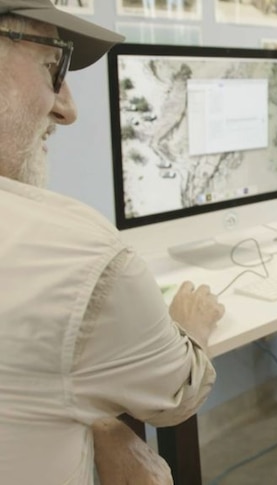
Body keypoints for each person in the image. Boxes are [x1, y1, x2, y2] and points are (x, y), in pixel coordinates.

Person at [0, 1, 225, 483]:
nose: (68, 109)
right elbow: (176, 396)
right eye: (52, 65)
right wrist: (192, 329)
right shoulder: (80, 256)